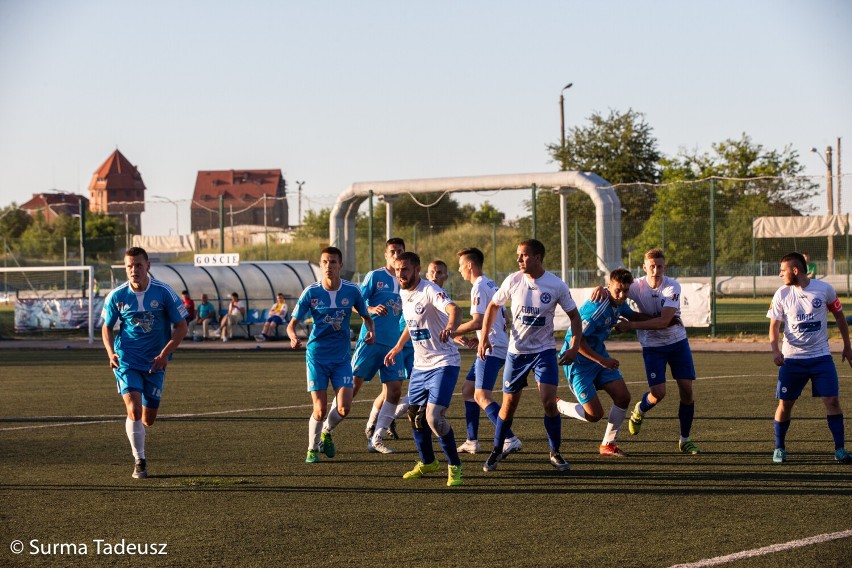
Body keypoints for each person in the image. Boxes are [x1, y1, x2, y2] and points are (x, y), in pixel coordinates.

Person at [478, 239, 583, 473]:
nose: (519, 259)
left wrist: (574, 347)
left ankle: (555, 452)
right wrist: (484, 337)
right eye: (518, 255)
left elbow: (575, 318)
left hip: (543, 352)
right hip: (517, 354)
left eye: (524, 255)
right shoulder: (513, 280)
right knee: (509, 406)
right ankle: (496, 449)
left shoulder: (556, 285)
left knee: (548, 401)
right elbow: (493, 307)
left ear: (537, 258)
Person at [599, 248, 701, 455]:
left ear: (665, 267)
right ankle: (640, 410)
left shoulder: (672, 286)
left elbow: (664, 321)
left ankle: (685, 439)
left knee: (687, 390)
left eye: (659, 266)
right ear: (644, 267)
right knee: (658, 394)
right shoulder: (637, 286)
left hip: (677, 343)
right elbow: (614, 288)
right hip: (652, 347)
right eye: (651, 266)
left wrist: (630, 326)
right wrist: (599, 289)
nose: (655, 270)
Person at [101, 247, 188, 479]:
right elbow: (106, 327)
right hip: (127, 360)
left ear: (148, 265)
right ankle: (140, 461)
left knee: (148, 419)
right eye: (129, 266)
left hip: (155, 363)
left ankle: (139, 436)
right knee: (134, 409)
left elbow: (182, 327)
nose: (133, 270)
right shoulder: (117, 296)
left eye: (138, 265)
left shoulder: (163, 292)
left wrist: (164, 355)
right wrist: (111, 352)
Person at [287, 247, 374, 463]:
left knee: (344, 408)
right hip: (317, 356)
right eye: (325, 262)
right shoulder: (311, 292)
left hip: (342, 357)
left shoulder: (352, 291)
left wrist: (371, 331)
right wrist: (293, 337)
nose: (328, 266)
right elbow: (292, 324)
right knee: (320, 409)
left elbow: (366, 316)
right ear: (321, 265)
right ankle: (312, 448)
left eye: (333, 262)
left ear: (340, 265)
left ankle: (326, 431)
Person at [385, 251, 464, 487]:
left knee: (434, 418)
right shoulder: (403, 292)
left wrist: (451, 326)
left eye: (405, 269)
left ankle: (454, 466)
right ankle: (428, 462)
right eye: (398, 270)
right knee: (415, 417)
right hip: (421, 365)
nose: (400, 274)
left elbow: (455, 310)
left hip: (444, 362)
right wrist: (398, 347)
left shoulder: (429, 290)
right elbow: (412, 324)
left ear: (417, 270)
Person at [323, 238, 408, 454]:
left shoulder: (407, 279)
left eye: (400, 251)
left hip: (393, 344)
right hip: (371, 341)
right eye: (392, 251)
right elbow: (355, 303)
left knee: (395, 391)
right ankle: (325, 431)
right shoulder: (375, 276)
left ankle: (376, 437)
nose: (396, 254)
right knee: (351, 389)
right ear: (386, 255)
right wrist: (370, 309)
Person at [768, 251, 852, 464]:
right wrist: (776, 351)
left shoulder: (825, 289)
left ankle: (840, 450)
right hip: (792, 360)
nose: (780, 275)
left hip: (821, 358)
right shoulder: (781, 294)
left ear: (795, 271)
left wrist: (847, 346)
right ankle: (779, 448)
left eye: (782, 270)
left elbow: (840, 317)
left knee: (832, 400)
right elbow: (774, 325)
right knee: (785, 404)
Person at [555, 268, 635, 457]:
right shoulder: (596, 307)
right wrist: (603, 361)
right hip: (578, 363)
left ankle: (608, 444)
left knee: (623, 397)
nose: (622, 295)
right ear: (609, 287)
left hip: (599, 357)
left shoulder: (620, 303)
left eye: (626, 291)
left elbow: (634, 316)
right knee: (594, 415)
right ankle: (557, 404)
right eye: (618, 290)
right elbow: (577, 339)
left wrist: (661, 319)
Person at [453, 247, 522, 456]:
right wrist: (482, 336)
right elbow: (502, 318)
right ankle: (472, 440)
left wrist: (450, 331)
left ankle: (509, 438)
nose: (459, 270)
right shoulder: (490, 283)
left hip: (492, 347)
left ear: (470, 265)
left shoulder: (479, 286)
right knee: (468, 390)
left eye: (460, 266)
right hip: (494, 342)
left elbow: (478, 320)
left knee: (481, 395)